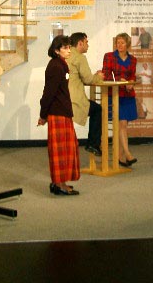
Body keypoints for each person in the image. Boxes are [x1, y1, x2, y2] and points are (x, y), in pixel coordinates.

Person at [38, 35, 80, 196]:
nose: (69, 50)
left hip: (62, 112)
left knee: (66, 150)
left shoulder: (61, 64)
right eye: (65, 48)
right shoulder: (56, 66)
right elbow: (49, 93)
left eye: (69, 47)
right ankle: (59, 185)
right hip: (58, 113)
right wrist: (43, 115)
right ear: (56, 50)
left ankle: (59, 183)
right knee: (60, 152)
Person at [102, 32, 138, 167]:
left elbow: (132, 76)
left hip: (128, 95)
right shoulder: (109, 56)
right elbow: (105, 75)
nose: (120, 45)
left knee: (122, 126)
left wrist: (131, 83)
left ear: (127, 44)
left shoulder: (133, 59)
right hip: (114, 94)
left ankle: (120, 157)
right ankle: (127, 154)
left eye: (122, 42)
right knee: (122, 124)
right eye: (118, 42)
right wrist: (119, 80)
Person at [68, 32, 104, 156]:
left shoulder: (67, 54)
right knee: (98, 109)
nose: (88, 45)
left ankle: (92, 144)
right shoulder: (79, 57)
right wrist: (99, 76)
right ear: (80, 43)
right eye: (86, 42)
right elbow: (88, 79)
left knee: (94, 108)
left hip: (64, 98)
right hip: (74, 100)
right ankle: (93, 144)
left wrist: (94, 76)